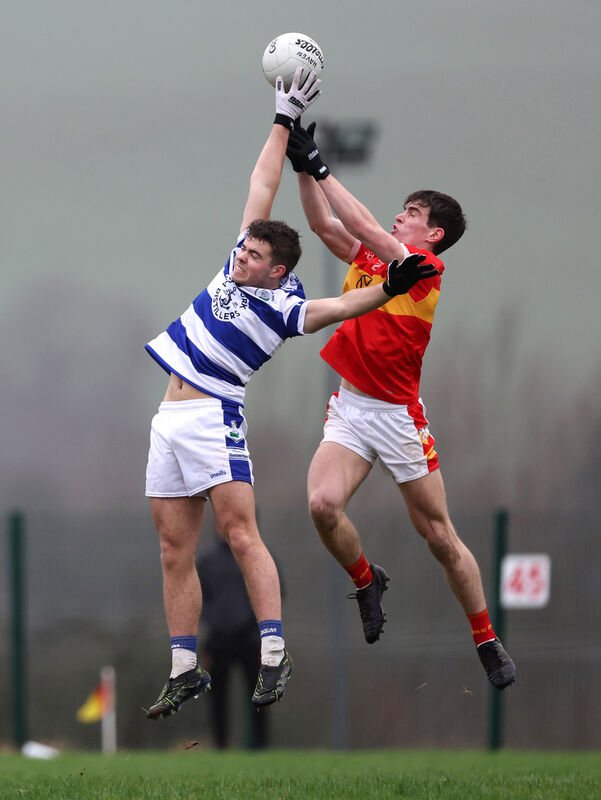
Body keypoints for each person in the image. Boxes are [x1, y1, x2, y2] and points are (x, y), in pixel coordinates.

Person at [143, 68, 441, 721]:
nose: (240, 253)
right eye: (243, 248)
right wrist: (281, 118)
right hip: (168, 419)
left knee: (239, 534)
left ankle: (274, 651)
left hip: (213, 418)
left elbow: (341, 304)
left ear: (277, 270)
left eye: (252, 252)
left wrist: (390, 286)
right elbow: (262, 183)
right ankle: (182, 667)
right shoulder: (236, 264)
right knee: (172, 548)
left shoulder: (285, 307)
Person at [286, 120, 516, 689]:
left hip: (396, 416)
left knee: (438, 534)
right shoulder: (374, 255)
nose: (400, 215)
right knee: (321, 505)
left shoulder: (424, 268)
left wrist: (319, 164)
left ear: (433, 234)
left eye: (412, 211)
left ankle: (486, 638)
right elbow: (323, 223)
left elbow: (371, 231)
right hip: (351, 407)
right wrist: (299, 164)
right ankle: (367, 581)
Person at [196, 520, 283, 749]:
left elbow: (275, 592)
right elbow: (195, 599)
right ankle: (221, 747)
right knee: (217, 698)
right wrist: (214, 620)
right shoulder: (206, 562)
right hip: (217, 640)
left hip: (251, 639)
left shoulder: (261, 556)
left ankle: (261, 747)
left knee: (260, 695)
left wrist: (255, 623)